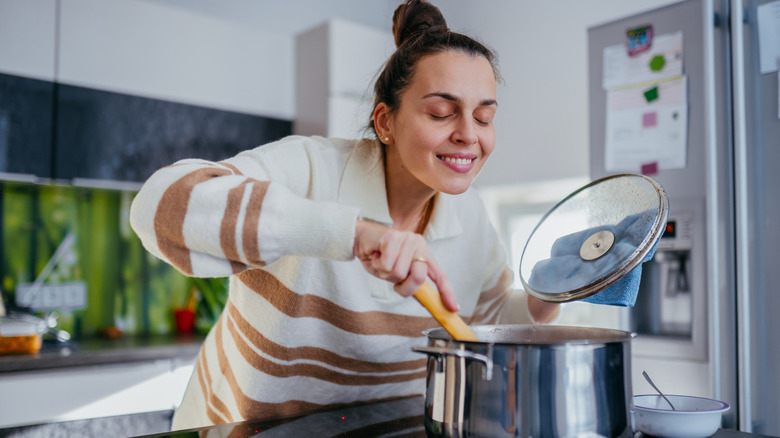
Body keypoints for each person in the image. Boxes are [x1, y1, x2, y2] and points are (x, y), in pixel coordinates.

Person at [130, 0, 559, 430]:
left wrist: (551, 294)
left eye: (484, 117)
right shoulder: (310, 168)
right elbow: (158, 206)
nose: (469, 134)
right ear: (386, 122)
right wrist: (353, 234)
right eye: (441, 113)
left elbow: (491, 322)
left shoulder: (471, 216)